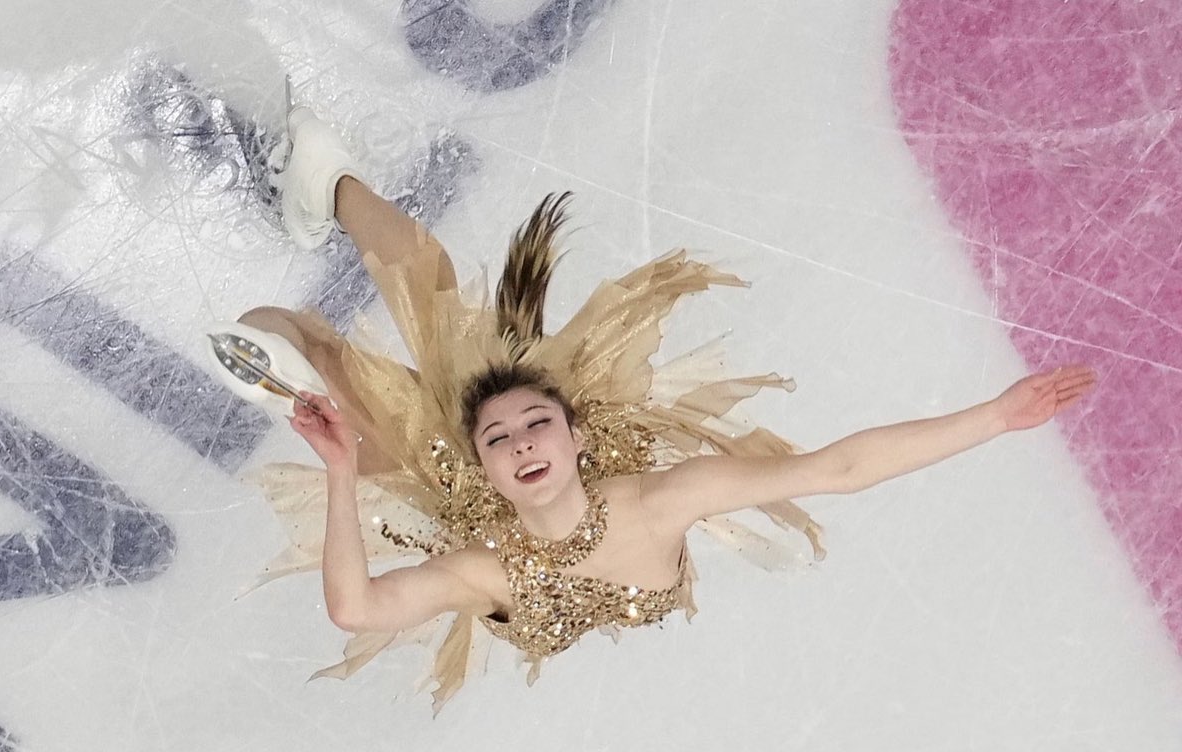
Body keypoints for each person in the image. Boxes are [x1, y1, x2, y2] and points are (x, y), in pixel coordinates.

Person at [207, 98, 1097, 712]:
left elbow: (837, 469)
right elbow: (357, 609)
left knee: (358, 404)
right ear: (483, 460)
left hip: (473, 500)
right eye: (503, 438)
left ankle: (294, 344)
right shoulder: (558, 542)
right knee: (419, 299)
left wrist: (996, 417)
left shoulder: (599, 525)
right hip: (463, 488)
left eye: (535, 426)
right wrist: (993, 419)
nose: (522, 444)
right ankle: (327, 182)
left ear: (575, 436)